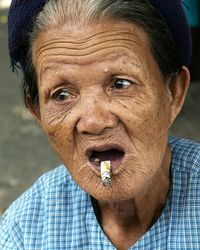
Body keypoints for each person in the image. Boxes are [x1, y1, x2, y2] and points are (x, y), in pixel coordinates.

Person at [0, 0, 199, 249]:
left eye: (121, 84)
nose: (94, 122)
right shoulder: (25, 232)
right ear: (38, 113)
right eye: (62, 95)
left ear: (173, 93)